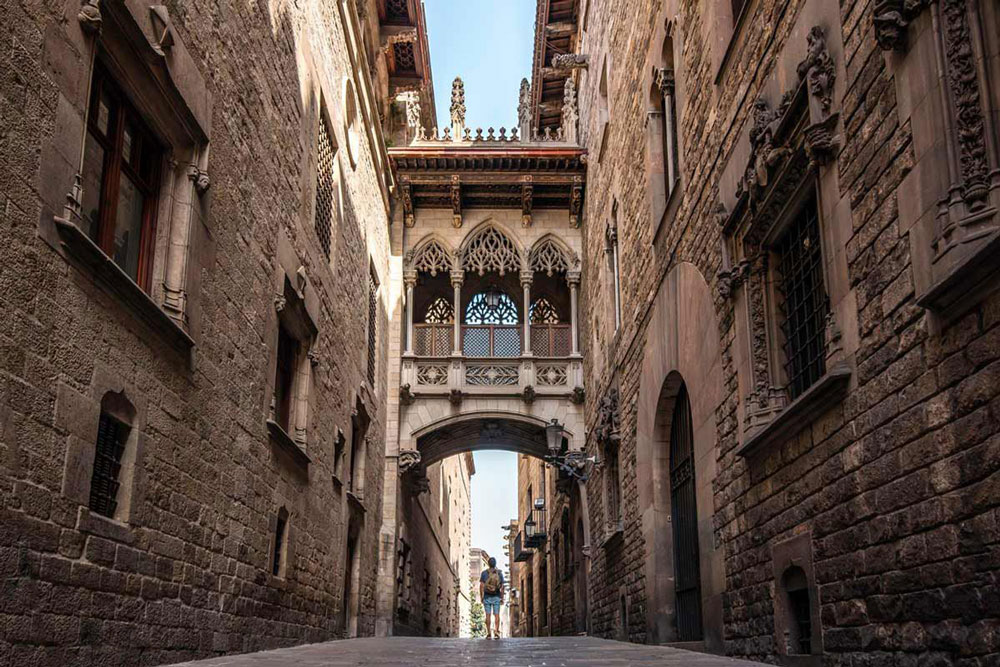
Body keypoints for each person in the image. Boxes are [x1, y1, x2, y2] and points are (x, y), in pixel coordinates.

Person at [479, 556, 505, 639]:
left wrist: (482, 597)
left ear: (488, 564)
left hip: (487, 597)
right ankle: (497, 632)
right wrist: (502, 597)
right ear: (495, 564)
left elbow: (481, 586)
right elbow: (502, 586)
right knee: (497, 615)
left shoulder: (484, 573)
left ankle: (489, 633)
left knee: (488, 615)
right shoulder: (499, 573)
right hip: (496, 596)